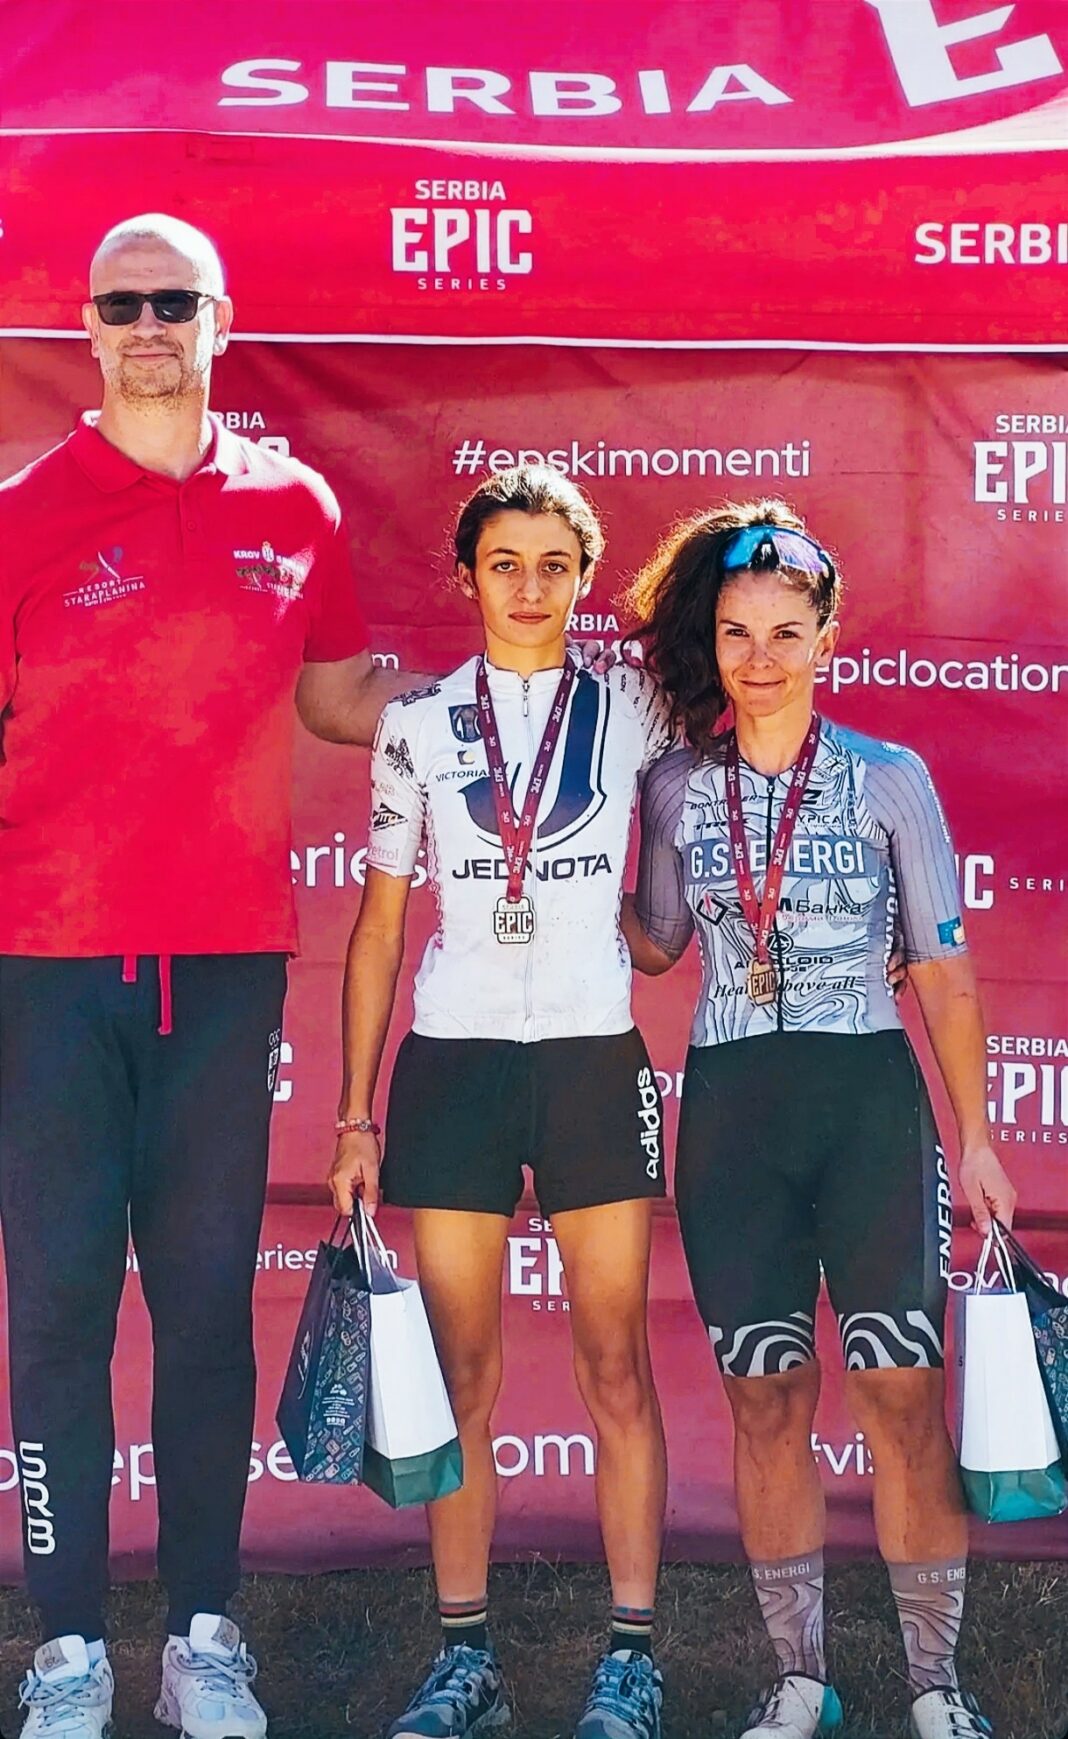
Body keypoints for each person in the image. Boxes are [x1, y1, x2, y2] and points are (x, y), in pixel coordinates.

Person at [0, 213, 427, 1739]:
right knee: (56, 1311)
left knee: (201, 1312)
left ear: (221, 319)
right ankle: (66, 1645)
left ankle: (201, 1631)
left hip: (226, 969)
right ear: (87, 327)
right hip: (47, 972)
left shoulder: (292, 503)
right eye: (121, 304)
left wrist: (487, 697)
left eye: (173, 302)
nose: (148, 326)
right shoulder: (23, 513)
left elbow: (336, 692)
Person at [622, 500, 1016, 1739]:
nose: (760, 658)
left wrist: (978, 1136)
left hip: (866, 1105)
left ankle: (937, 1686)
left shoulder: (893, 778)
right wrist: (567, 879)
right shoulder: (673, 785)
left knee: (901, 1393)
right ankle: (801, 1678)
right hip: (734, 1112)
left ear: (826, 639)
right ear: (712, 642)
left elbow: (942, 968)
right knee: (767, 1399)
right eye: (737, 633)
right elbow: (658, 942)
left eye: (786, 632)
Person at [329, 465, 675, 1739]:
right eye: (505, 564)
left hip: (589, 1058)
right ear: (468, 576)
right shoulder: (417, 724)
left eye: (554, 565)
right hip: (457, 1061)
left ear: (585, 579)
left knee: (614, 1362)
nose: (530, 587)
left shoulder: (637, 704)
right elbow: (379, 925)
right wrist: (354, 1112)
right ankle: (464, 1653)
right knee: (463, 1369)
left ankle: (631, 1655)